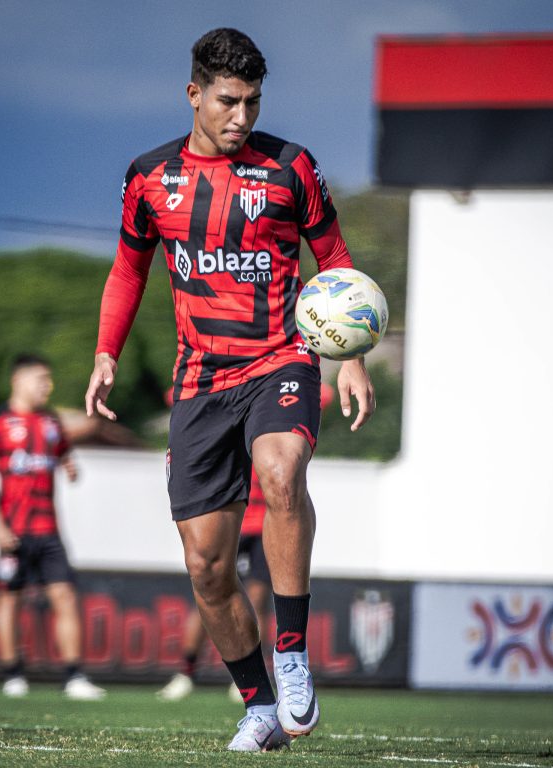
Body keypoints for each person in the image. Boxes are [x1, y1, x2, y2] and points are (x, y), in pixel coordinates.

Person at [85, 28, 375, 751]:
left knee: (281, 475)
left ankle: (292, 652)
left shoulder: (291, 168)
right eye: (226, 100)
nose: (240, 116)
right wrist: (105, 354)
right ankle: (258, 704)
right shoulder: (150, 177)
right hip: (199, 381)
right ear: (194, 94)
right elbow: (128, 271)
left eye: (251, 102)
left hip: (281, 360)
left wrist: (354, 356)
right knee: (207, 565)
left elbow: (333, 258)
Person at [0, 353, 105, 701]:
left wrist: (69, 466)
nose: (47, 386)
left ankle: (74, 676)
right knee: (10, 599)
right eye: (41, 379)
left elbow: (67, 447)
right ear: (19, 380)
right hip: (14, 528)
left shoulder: (50, 422)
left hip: (49, 529)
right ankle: (13, 675)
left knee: (64, 595)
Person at [157, 466, 271, 704]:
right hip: (231, 519)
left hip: (264, 525)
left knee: (258, 599)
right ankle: (186, 671)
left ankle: (248, 677)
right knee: (209, 591)